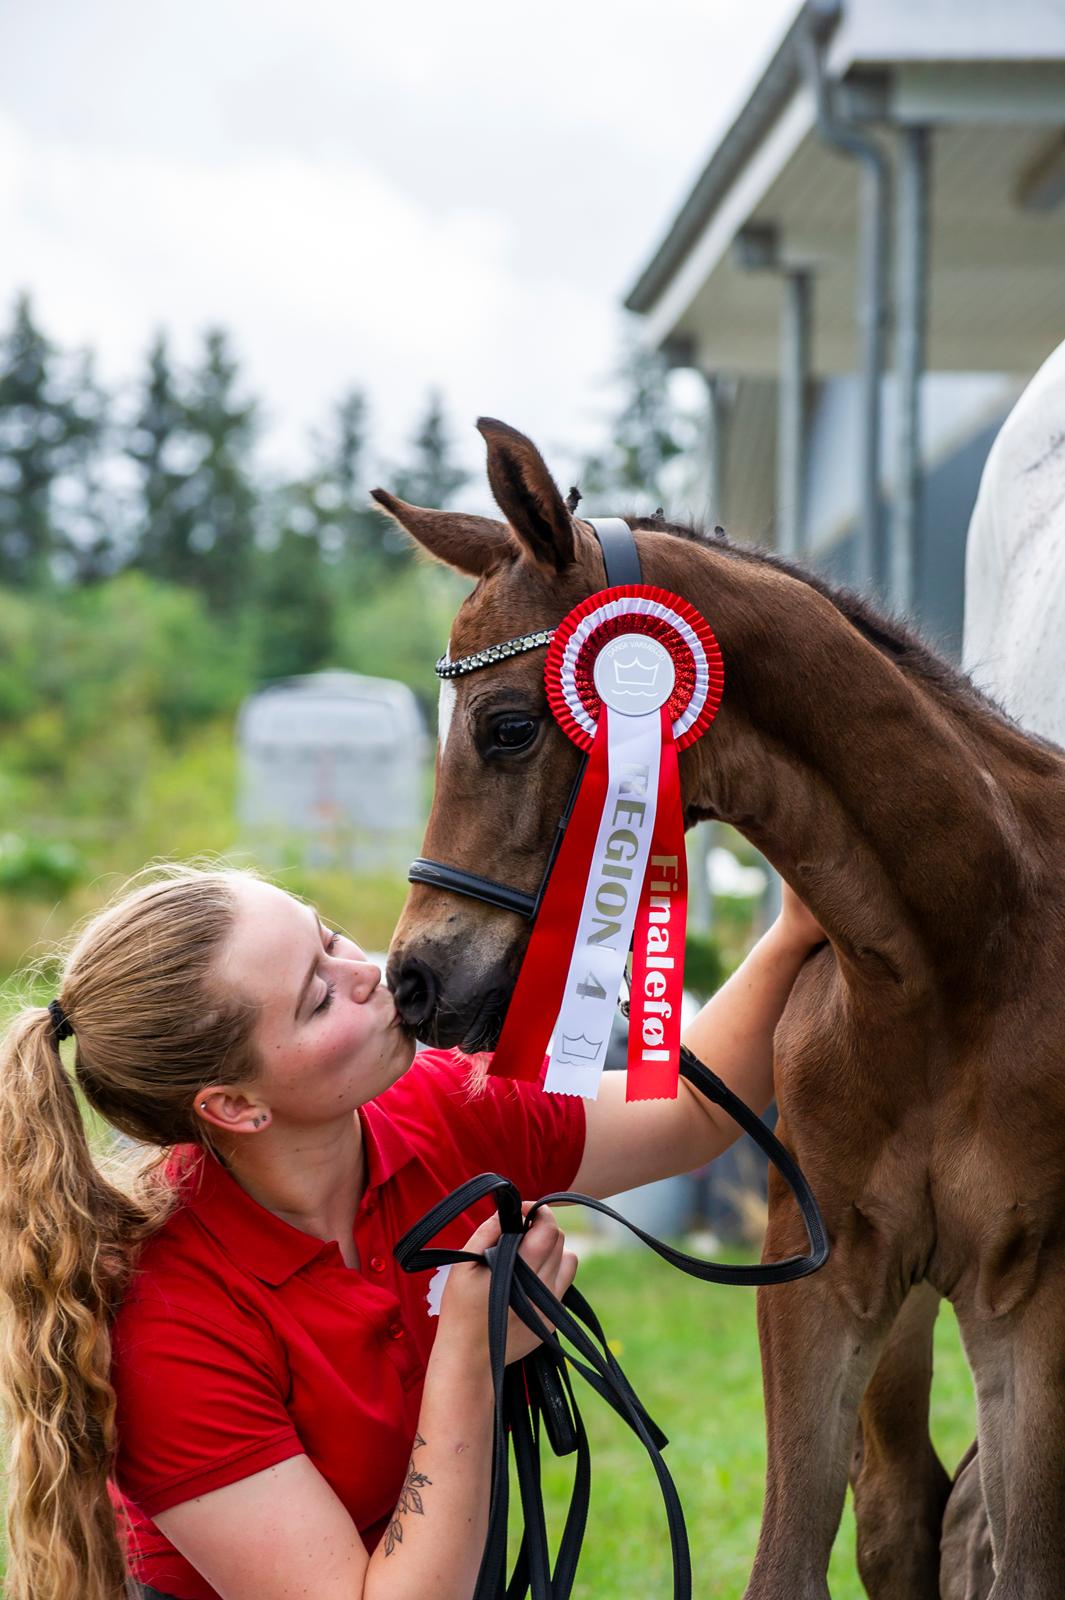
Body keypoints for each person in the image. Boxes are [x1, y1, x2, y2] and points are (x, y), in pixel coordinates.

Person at [0, 860, 824, 1600]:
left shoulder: (435, 1104)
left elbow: (684, 1115)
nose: (367, 972)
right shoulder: (169, 1322)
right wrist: (471, 1347)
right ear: (234, 1107)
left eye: (329, 937)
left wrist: (795, 927)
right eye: (319, 998)